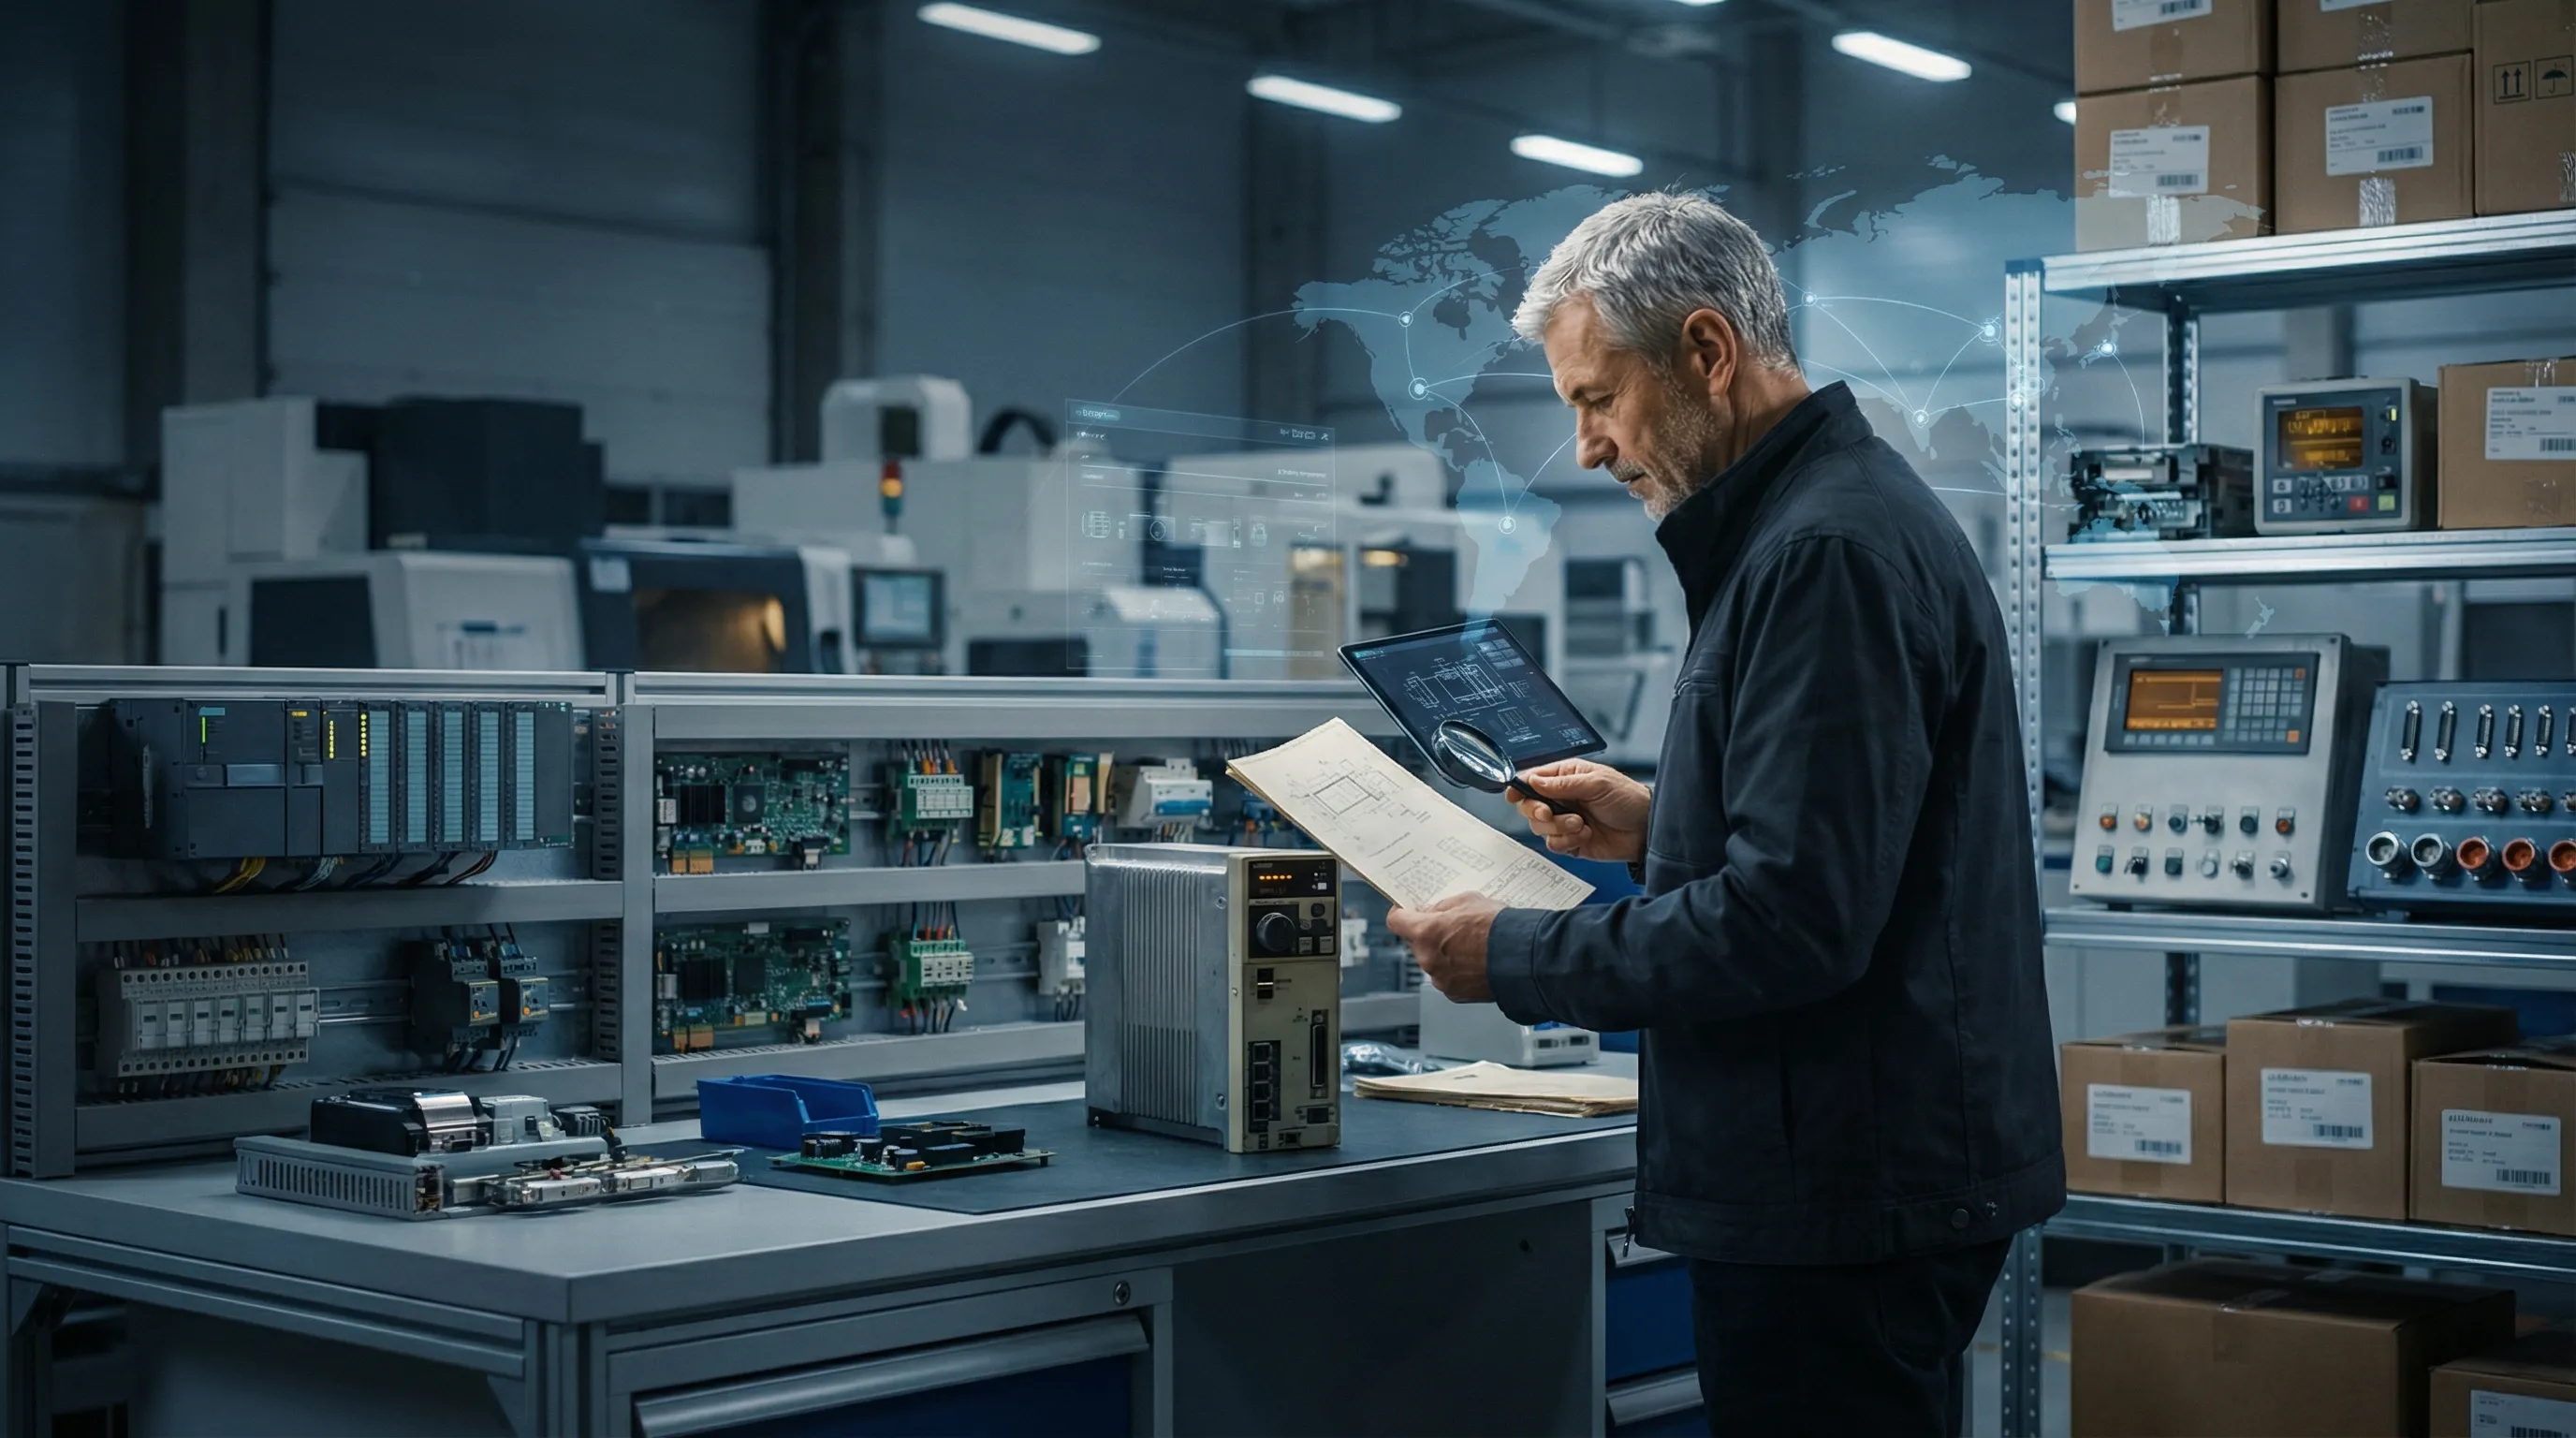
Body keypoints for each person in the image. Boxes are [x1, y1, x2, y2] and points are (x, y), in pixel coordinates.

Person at [1383, 192, 2062, 1437]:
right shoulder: (1817, 523)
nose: (1586, 446)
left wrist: (1514, 955)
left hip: (1841, 1194)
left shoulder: (1822, 553)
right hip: (1860, 1173)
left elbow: (1793, 922)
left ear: (1707, 351)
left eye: (1596, 398)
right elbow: (1863, 842)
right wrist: (1662, 823)